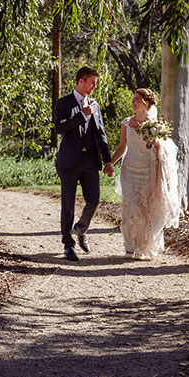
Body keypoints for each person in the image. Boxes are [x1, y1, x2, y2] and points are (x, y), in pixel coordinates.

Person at [110, 87, 181, 260]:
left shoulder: (155, 125)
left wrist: (153, 140)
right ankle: (129, 245)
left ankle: (142, 247)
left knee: (145, 210)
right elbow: (122, 147)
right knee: (130, 207)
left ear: (146, 103)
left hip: (147, 172)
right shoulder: (126, 123)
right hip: (129, 170)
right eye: (133, 99)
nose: (133, 102)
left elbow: (162, 148)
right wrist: (111, 163)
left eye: (137, 99)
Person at [53, 66, 113, 261]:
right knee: (68, 206)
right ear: (81, 81)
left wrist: (108, 160)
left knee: (94, 200)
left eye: (95, 83)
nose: (94, 86)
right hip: (69, 162)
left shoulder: (95, 105)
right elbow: (59, 128)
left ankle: (80, 229)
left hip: (90, 161)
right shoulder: (63, 103)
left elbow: (101, 133)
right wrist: (81, 115)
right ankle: (68, 245)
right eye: (91, 83)